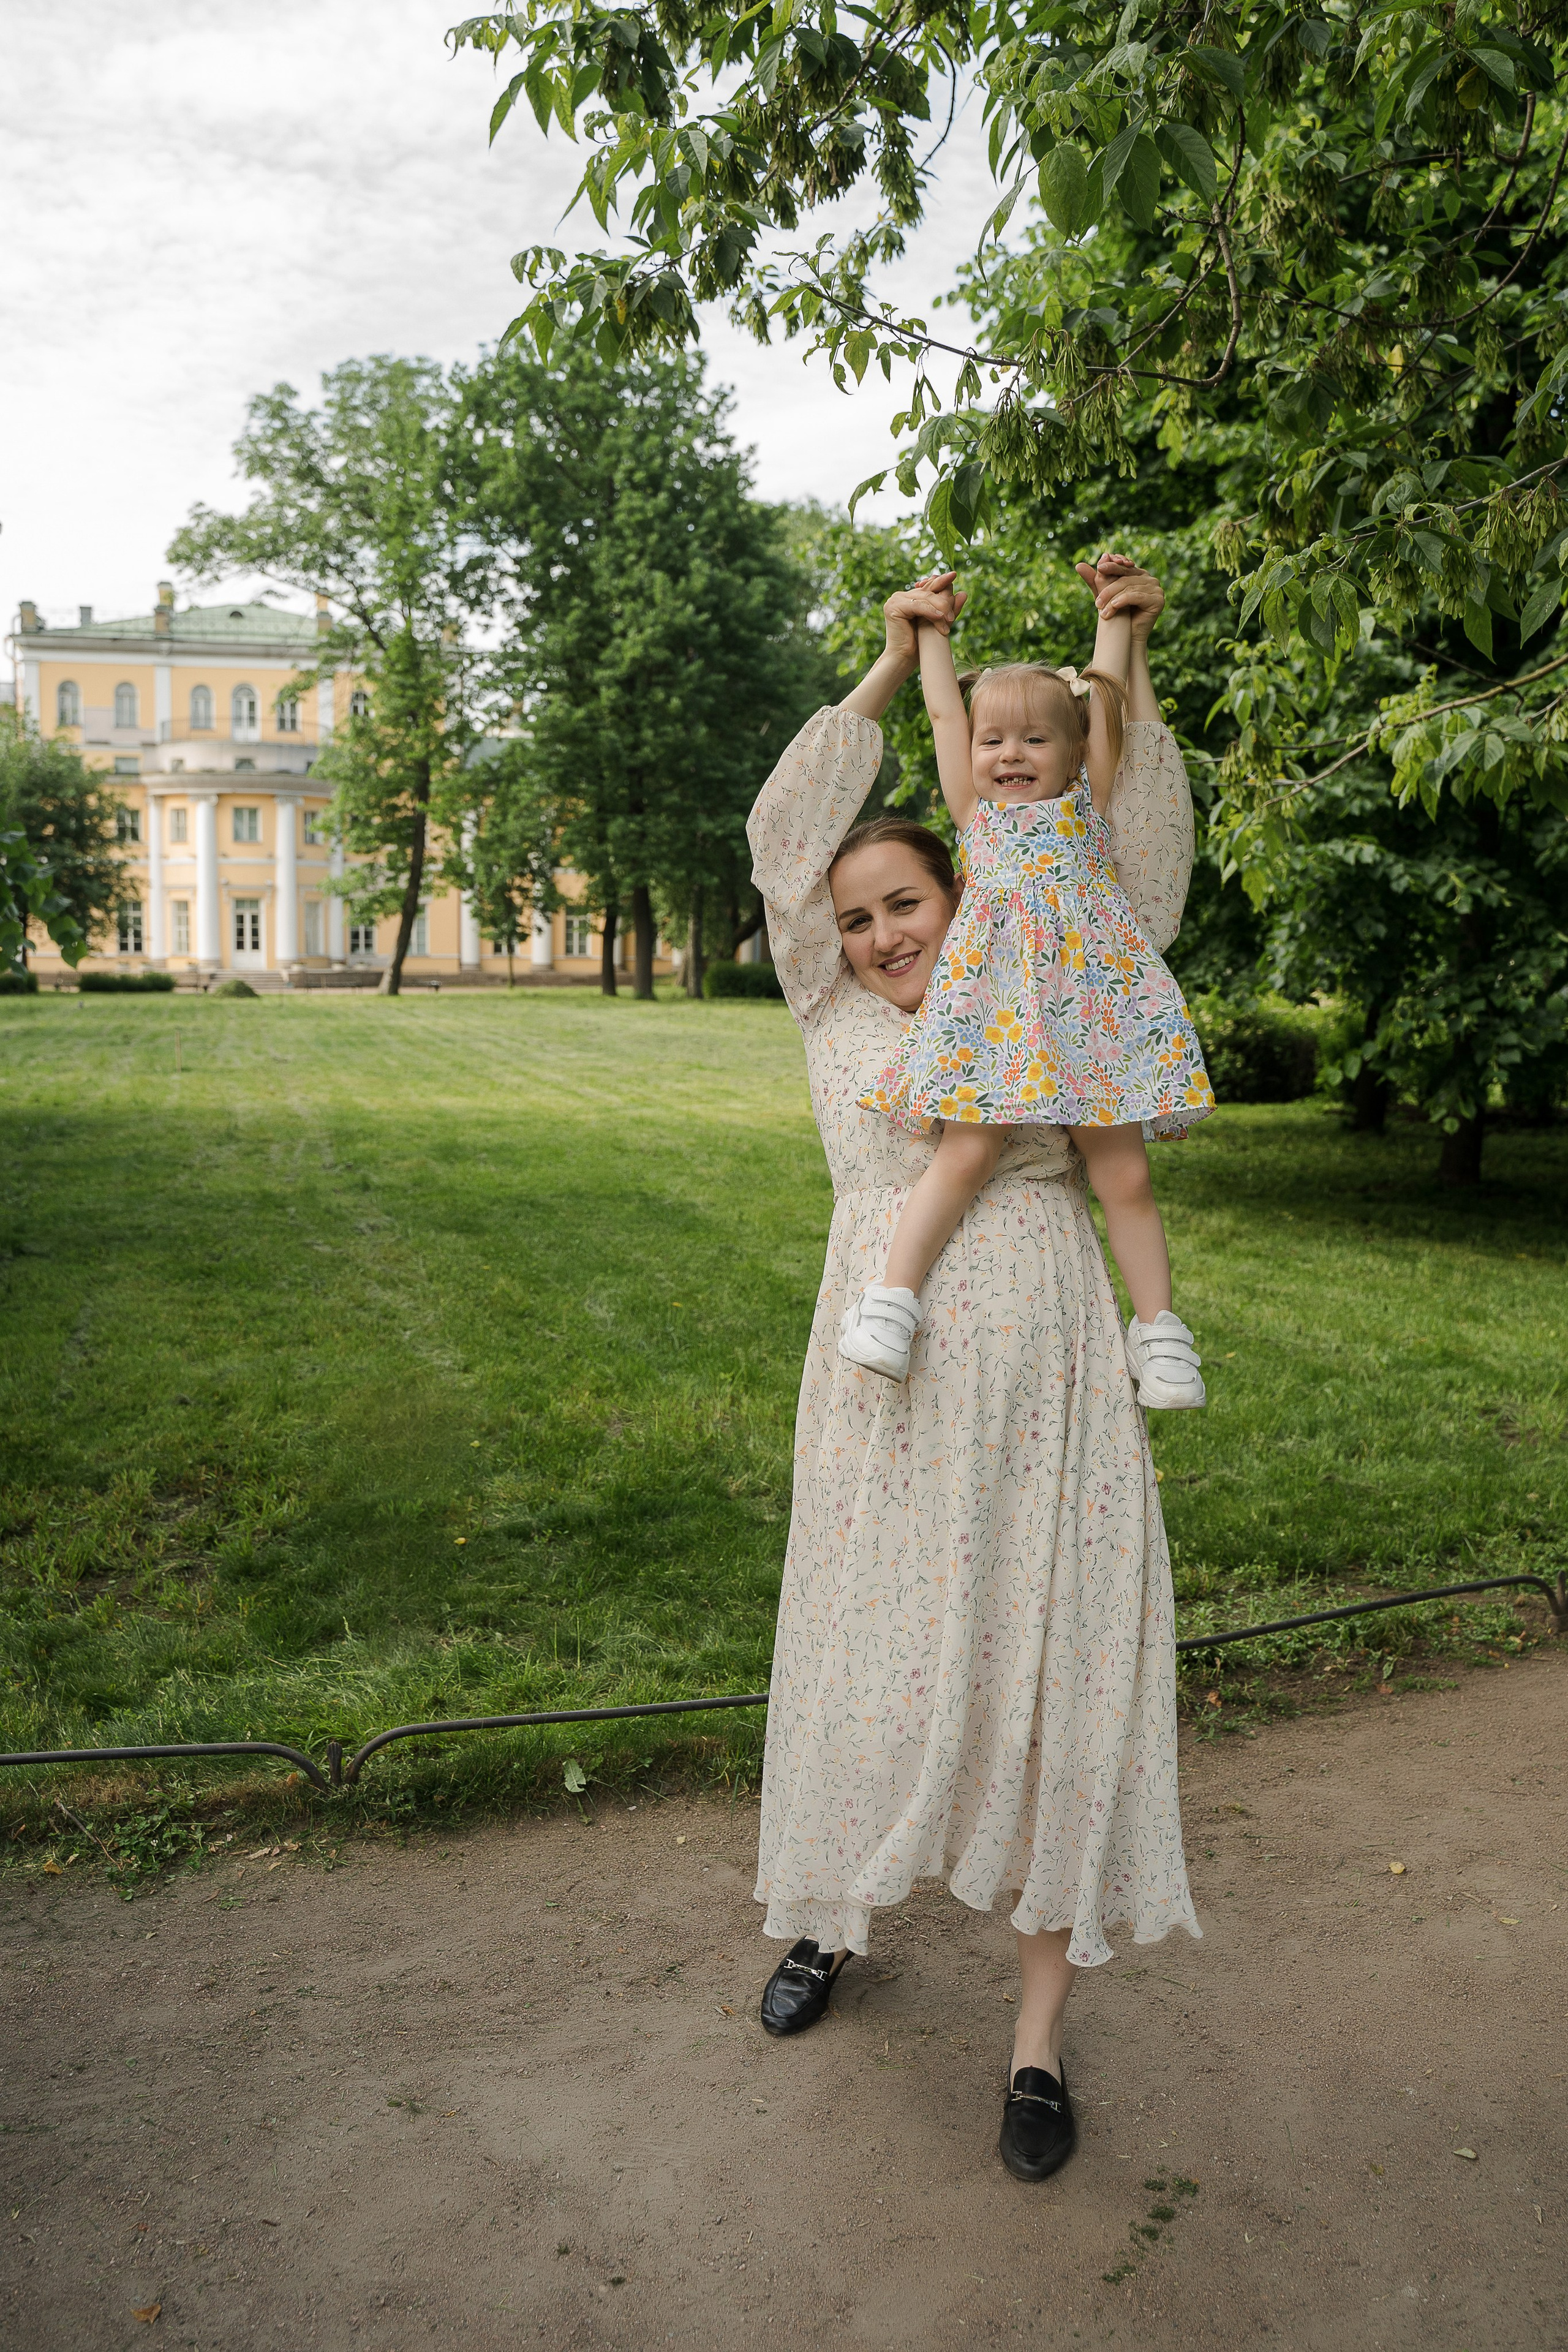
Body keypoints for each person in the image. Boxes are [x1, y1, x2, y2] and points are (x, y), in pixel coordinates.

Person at [747, 559, 1200, 2184]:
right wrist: (889, 666)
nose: (876, 934)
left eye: (904, 905)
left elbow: (1128, 824)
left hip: (1051, 1368)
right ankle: (831, 1916)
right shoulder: (827, 1009)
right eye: (858, 915)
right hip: (882, 1363)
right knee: (866, 1646)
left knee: (1050, 1672)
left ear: (967, 897)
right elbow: (787, 833)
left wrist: (1118, 660)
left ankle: (1033, 2045)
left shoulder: (1054, 959)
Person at [841, 562, 1212, 1408]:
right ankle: (891, 1301)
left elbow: (1108, 692)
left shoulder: (1092, 809)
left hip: (1090, 1018)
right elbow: (942, 709)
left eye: (1036, 739)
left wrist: (1113, 613)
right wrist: (932, 631)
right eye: (993, 740)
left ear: (1074, 750)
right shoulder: (977, 820)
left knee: (1125, 1178)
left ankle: (1158, 1335)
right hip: (1000, 1019)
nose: (1011, 753)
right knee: (966, 1152)